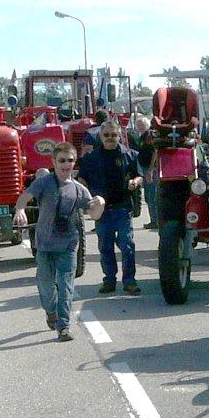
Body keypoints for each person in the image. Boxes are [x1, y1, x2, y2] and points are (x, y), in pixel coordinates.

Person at [14, 142, 105, 341]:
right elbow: (24, 198)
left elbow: (95, 215)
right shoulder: (44, 183)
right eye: (62, 160)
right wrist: (20, 210)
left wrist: (100, 204)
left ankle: (63, 326)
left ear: (75, 163)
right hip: (45, 245)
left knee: (66, 285)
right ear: (53, 162)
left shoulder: (80, 190)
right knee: (46, 286)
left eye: (70, 160)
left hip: (68, 245)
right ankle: (51, 311)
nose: (66, 165)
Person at [79, 119, 144, 295]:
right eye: (106, 135)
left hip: (123, 207)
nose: (110, 138)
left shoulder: (130, 155)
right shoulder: (91, 159)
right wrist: (86, 197)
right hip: (102, 211)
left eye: (113, 135)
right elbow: (82, 179)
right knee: (105, 247)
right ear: (100, 136)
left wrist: (135, 182)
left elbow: (140, 176)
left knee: (127, 245)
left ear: (119, 136)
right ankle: (109, 280)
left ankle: (129, 281)